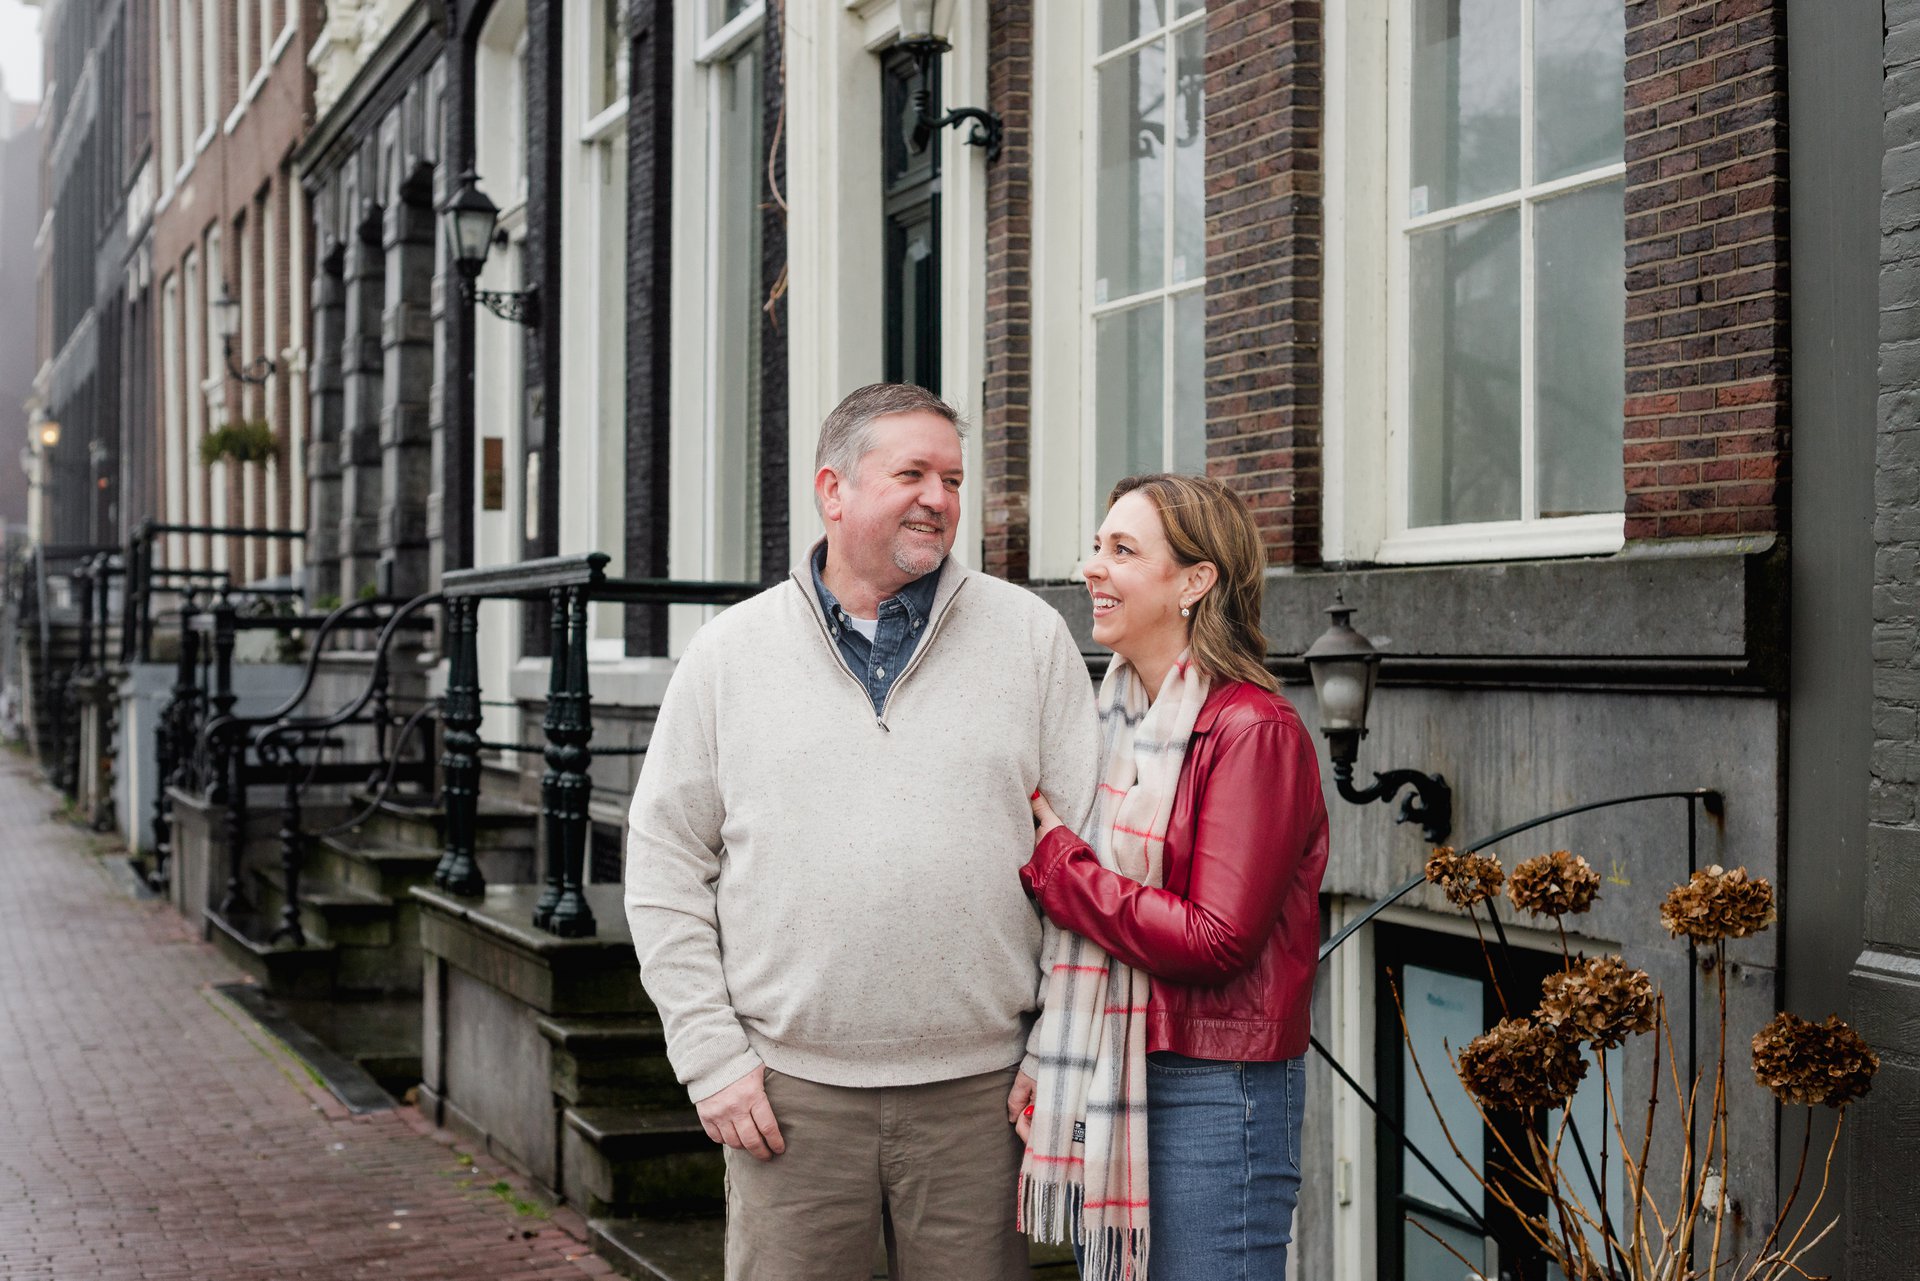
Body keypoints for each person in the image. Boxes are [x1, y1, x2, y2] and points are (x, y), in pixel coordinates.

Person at [624, 382, 1101, 1281]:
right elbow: (663, 868)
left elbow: (1088, 865)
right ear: (832, 490)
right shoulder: (728, 654)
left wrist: (1056, 1047)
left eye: (952, 479)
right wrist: (709, 1057)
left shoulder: (1031, 639)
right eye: (912, 474)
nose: (939, 498)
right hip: (788, 1101)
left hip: (985, 1099)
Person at [1016, 473, 1330, 1281]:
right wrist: (1046, 1059)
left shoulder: (1253, 731)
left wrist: (1064, 871)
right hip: (1110, 1067)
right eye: (1096, 546)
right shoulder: (1106, 723)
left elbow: (1216, 939)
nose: (1092, 567)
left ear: (1195, 581)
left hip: (1215, 1086)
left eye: (1122, 550)